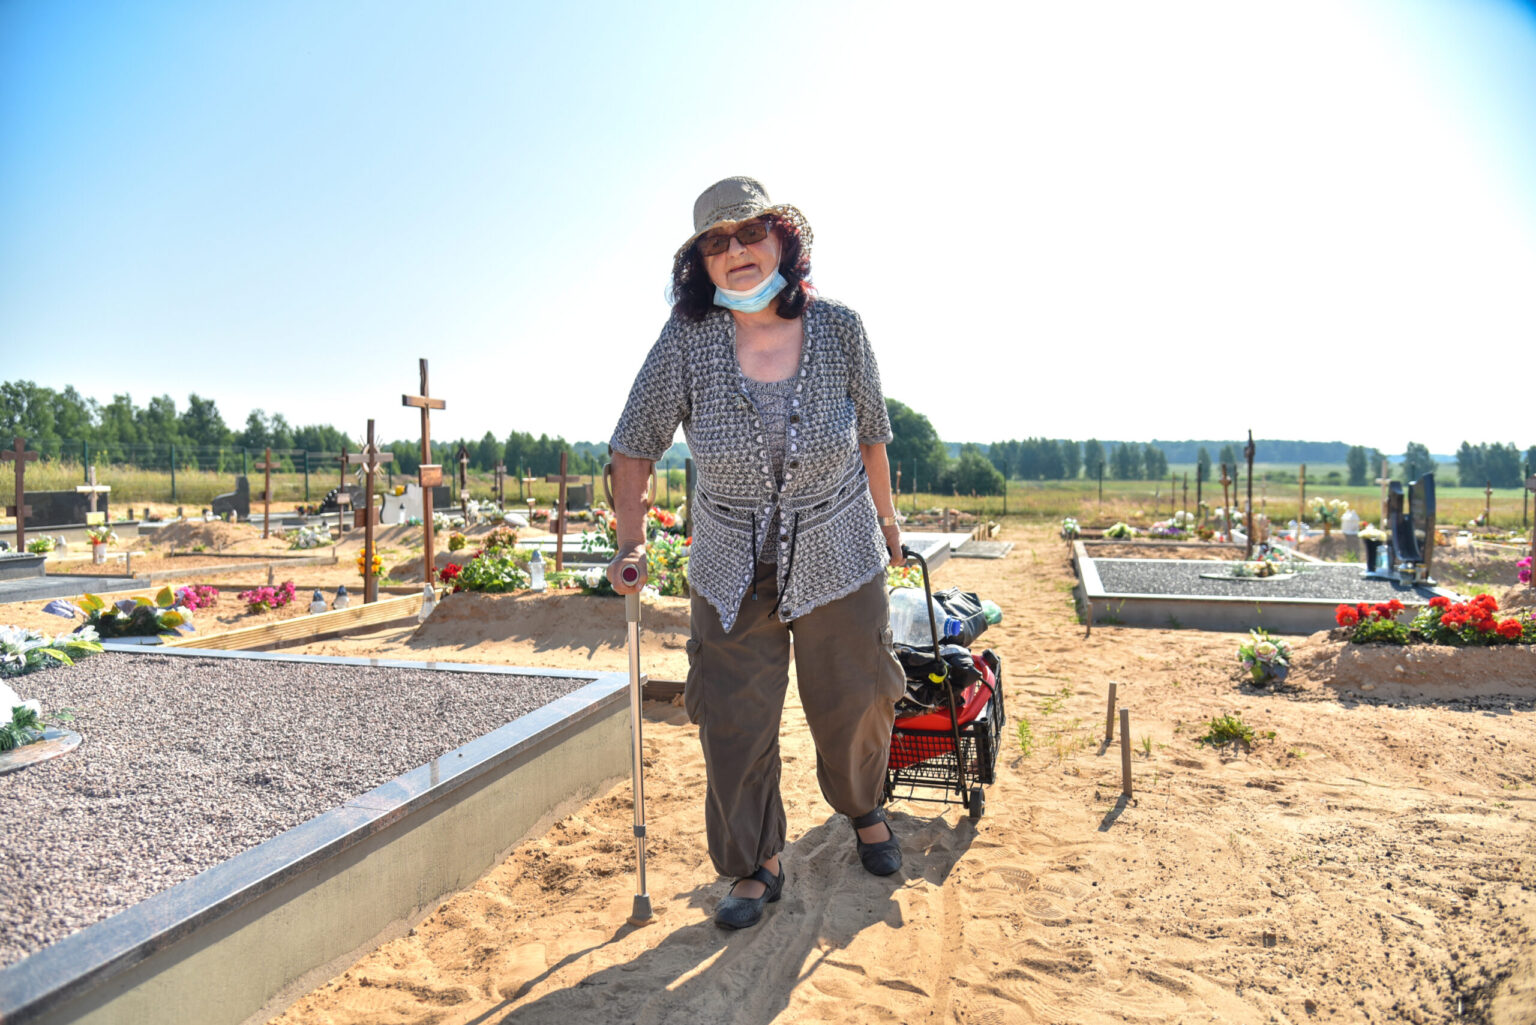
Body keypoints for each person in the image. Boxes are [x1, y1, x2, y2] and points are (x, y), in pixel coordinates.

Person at [607, 176, 907, 930]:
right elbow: (632, 444)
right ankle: (754, 862)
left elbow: (872, 433)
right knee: (735, 719)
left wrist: (889, 519)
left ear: (782, 240)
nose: (736, 252)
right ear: (701, 265)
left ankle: (863, 807)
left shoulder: (840, 328)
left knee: (854, 697)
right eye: (716, 242)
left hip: (839, 542)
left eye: (749, 234)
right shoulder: (687, 339)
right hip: (730, 557)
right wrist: (631, 542)